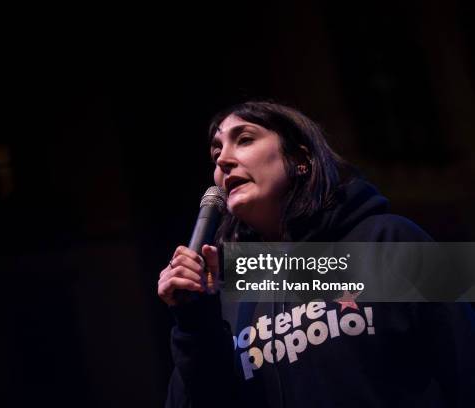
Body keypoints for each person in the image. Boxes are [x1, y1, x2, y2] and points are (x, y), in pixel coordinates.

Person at [157, 101, 475, 407]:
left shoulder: (392, 238)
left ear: (300, 158)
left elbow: (465, 362)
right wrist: (194, 323)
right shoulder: (225, 289)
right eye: (216, 153)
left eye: (245, 139)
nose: (223, 160)